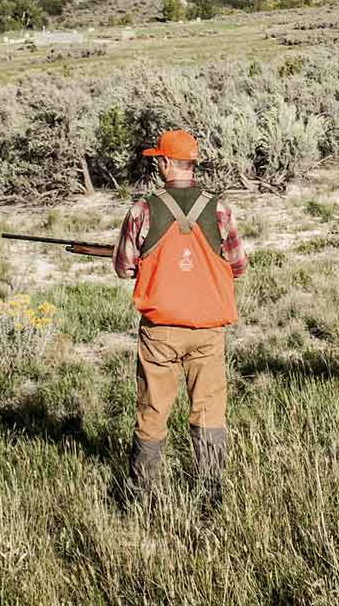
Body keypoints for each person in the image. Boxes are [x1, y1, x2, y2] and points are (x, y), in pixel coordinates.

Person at [112, 129, 248, 505]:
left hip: (159, 332)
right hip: (207, 331)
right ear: (193, 163)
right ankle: (210, 495)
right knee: (209, 411)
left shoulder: (142, 209)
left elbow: (124, 267)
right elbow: (237, 266)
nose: (157, 164)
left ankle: (138, 495)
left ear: (166, 163)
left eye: (159, 159)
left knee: (152, 411)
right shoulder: (218, 207)